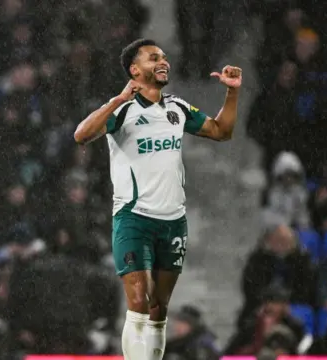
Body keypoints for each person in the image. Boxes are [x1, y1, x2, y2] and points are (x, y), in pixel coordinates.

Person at [74, 38, 242, 360]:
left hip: (173, 221)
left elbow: (222, 131)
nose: (163, 61)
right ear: (135, 70)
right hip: (133, 217)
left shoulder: (177, 109)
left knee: (158, 306)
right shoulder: (122, 111)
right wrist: (117, 99)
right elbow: (82, 135)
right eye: (154, 58)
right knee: (137, 300)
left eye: (164, 57)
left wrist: (232, 91)